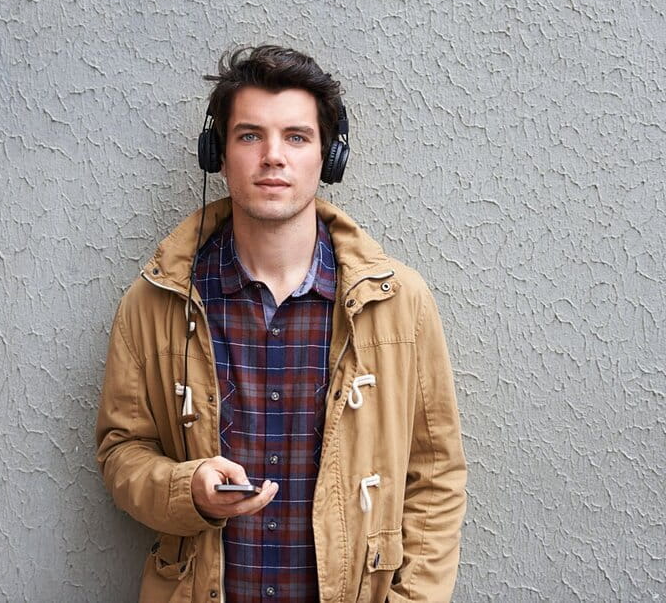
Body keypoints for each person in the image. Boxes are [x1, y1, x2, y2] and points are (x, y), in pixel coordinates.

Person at [95, 45, 467, 602]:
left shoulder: (399, 304)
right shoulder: (158, 301)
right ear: (217, 154)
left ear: (328, 158)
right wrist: (186, 490)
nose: (273, 156)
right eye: (250, 135)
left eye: (296, 137)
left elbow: (435, 477)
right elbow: (121, 450)